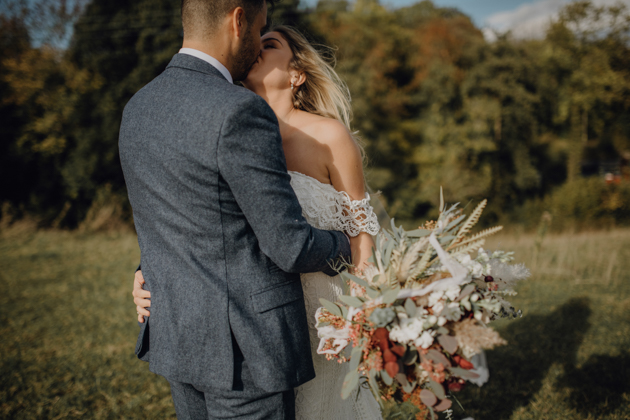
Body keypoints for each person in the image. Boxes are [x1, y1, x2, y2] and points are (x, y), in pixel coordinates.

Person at [132, 25, 384, 419]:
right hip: (256, 308)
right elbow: (194, 209)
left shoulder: (329, 135)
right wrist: (147, 270)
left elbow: (361, 223)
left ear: (297, 73)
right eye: (256, 41)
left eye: (270, 45)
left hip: (324, 301)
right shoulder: (228, 122)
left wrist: (365, 299)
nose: (256, 49)